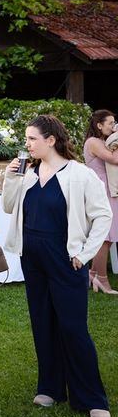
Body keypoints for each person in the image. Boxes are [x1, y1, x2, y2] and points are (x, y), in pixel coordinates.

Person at [3, 114, 112, 417]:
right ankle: (50, 388)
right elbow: (9, 207)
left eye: (32, 139)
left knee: (73, 327)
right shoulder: (28, 173)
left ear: (51, 141)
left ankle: (92, 399)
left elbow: (103, 215)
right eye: (26, 139)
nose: (27, 144)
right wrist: (12, 177)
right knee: (43, 322)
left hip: (66, 258)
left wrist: (86, 254)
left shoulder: (80, 175)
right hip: (32, 258)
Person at [83, 109, 118, 294]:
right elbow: (114, 159)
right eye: (110, 123)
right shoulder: (93, 142)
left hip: (109, 190)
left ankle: (94, 273)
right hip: (100, 189)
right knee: (105, 236)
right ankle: (101, 279)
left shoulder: (104, 141)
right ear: (99, 125)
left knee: (110, 236)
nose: (113, 126)